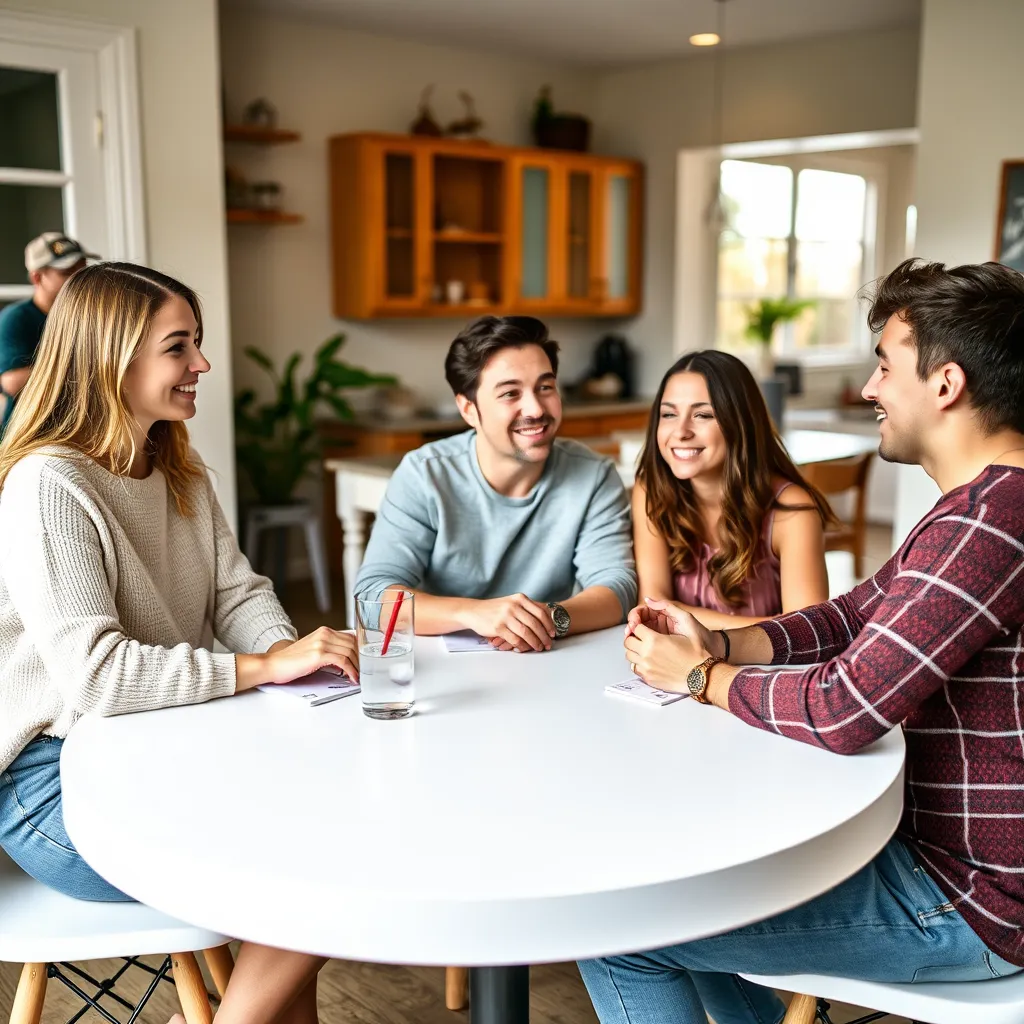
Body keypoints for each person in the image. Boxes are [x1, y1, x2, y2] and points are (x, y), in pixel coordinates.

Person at [578, 258, 1024, 1024]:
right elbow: (850, 615)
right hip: (932, 855)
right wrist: (728, 647)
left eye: (885, 366)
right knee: (684, 889)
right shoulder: (975, 507)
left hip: (969, 897)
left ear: (945, 384)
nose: (870, 389)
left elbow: (845, 709)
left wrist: (699, 680)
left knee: (617, 926)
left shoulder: (994, 519)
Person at [0, 262, 360, 1024]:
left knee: (339, 829)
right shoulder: (48, 486)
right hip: (53, 787)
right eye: (179, 346)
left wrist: (308, 672)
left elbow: (238, 593)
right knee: (318, 867)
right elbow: (97, 678)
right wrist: (266, 667)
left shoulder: (177, 468)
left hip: (161, 750)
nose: (201, 364)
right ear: (112, 357)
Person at [354, 315, 636, 652]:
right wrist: (475, 614)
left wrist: (547, 618)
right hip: (446, 671)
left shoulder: (594, 475)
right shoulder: (424, 475)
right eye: (510, 393)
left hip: (545, 660)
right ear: (469, 410)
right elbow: (373, 595)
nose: (534, 408)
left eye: (545, 388)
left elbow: (617, 588)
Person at [631, 350, 831, 634]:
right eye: (669, 414)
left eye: (702, 414)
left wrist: (685, 621)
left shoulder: (792, 511)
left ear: (740, 422)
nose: (681, 431)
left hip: (767, 673)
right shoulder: (651, 490)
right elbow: (653, 607)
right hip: (682, 667)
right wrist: (767, 627)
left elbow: (806, 633)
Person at [0, 232, 97, 433]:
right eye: (67, 272)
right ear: (37, 277)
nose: (78, 279)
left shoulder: (91, 315)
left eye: (83, 269)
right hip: (31, 434)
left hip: (81, 430)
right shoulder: (17, 318)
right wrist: (81, 367)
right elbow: (12, 382)